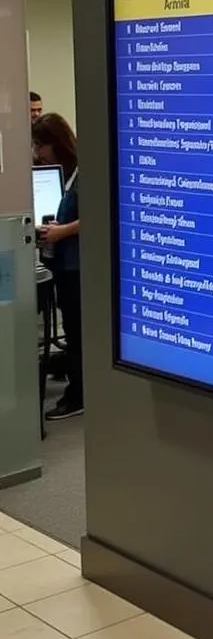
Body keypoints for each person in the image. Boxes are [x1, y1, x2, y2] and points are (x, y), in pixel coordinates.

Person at [32, 113, 82, 419]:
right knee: (73, 332)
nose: (38, 153)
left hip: (77, 267)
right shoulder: (61, 173)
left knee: (78, 334)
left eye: (41, 145)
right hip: (64, 264)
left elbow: (100, 212)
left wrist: (62, 231)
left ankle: (78, 395)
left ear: (55, 143)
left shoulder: (82, 172)